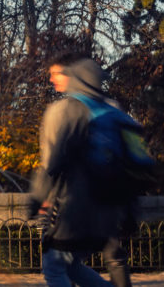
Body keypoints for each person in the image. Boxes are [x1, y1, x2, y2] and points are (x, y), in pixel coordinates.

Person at [28, 53, 128, 287]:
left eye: (57, 74)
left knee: (53, 267)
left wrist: (39, 199)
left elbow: (52, 162)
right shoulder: (113, 109)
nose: (52, 79)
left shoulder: (66, 109)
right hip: (106, 208)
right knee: (71, 266)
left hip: (72, 205)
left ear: (74, 76)